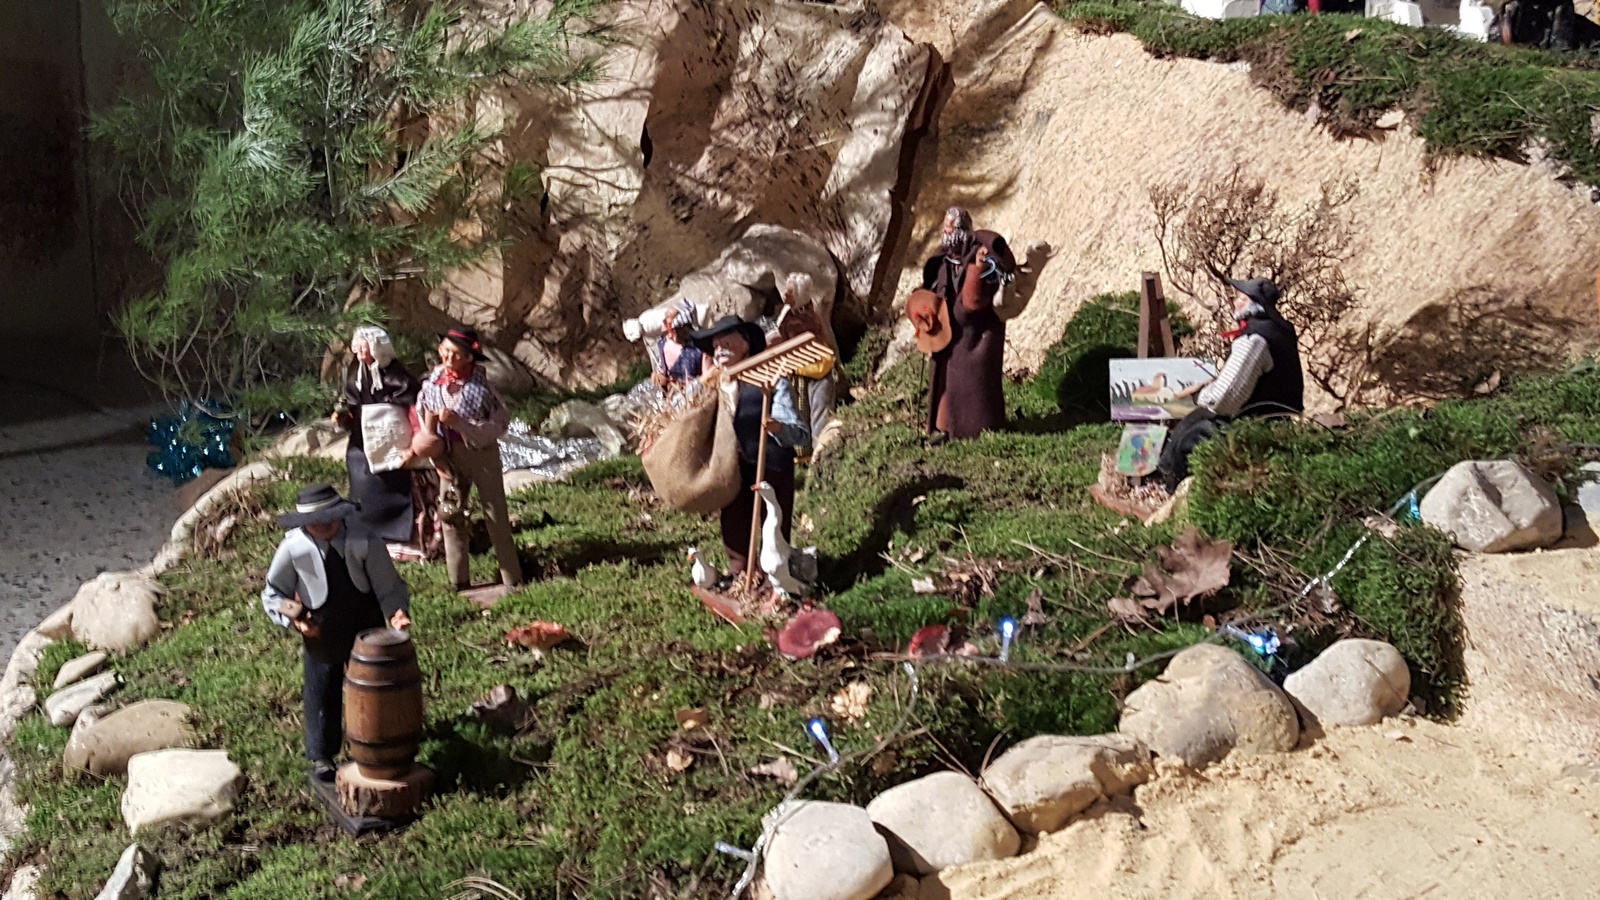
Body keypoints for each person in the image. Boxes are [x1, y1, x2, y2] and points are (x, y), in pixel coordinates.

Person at [261, 484, 412, 782]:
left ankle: (382, 739)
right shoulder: (293, 548)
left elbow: (388, 585)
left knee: (376, 685)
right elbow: (274, 593)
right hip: (321, 629)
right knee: (321, 691)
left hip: (365, 625)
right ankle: (322, 753)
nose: (323, 525)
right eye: (314, 521)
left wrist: (396, 611)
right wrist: (295, 620)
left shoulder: (364, 539)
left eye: (330, 517)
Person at [692, 316, 810, 581]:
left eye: (726, 342)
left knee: (774, 524)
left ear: (745, 345)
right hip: (732, 468)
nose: (719, 348)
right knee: (734, 522)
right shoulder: (713, 385)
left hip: (771, 465)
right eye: (715, 344)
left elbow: (800, 432)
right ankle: (742, 575)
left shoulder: (772, 381)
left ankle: (776, 579)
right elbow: (681, 412)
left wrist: (778, 427)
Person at [1159, 277, 1304, 490]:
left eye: (1242, 299)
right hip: (1278, 419)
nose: (1235, 302)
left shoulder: (1254, 340)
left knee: (1189, 437)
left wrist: (1199, 394)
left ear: (1255, 305)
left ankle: (1180, 492)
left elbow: (1224, 401)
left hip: (1255, 424)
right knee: (1194, 418)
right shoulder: (1280, 329)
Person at [417, 327, 525, 591]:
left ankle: (512, 577)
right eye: (445, 350)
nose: (448, 357)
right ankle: (458, 580)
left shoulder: (481, 388)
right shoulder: (433, 383)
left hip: (481, 454)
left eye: (455, 354)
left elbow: (500, 421)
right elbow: (424, 415)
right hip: (449, 457)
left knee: (495, 513)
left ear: (469, 358)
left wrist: (462, 425)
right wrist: (434, 451)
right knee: (450, 515)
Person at [335, 326, 441, 562]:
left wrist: (416, 441)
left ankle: (411, 538)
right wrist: (345, 417)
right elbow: (352, 405)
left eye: (365, 346)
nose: (360, 351)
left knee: (402, 485)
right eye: (358, 346)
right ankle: (371, 537)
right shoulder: (356, 376)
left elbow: (414, 407)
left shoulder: (397, 376)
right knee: (363, 485)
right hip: (363, 442)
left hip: (396, 439)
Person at [922, 207, 1015, 443]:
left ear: (962, 229)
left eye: (950, 226)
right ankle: (944, 428)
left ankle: (976, 430)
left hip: (975, 337)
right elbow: (934, 288)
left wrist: (976, 268)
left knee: (971, 383)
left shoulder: (982, 257)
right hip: (947, 333)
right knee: (944, 382)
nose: (946, 230)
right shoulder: (944, 259)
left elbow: (973, 302)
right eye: (945, 226)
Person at [776, 271, 839, 443]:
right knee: (801, 409)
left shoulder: (805, 317)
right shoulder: (789, 315)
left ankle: (821, 445)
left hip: (815, 365)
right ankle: (805, 451)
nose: (786, 295)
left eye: (790, 292)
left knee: (819, 408)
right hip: (798, 369)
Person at [651, 298, 705, 386]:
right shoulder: (662, 344)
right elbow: (661, 368)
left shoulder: (698, 349)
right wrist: (659, 376)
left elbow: (708, 375)